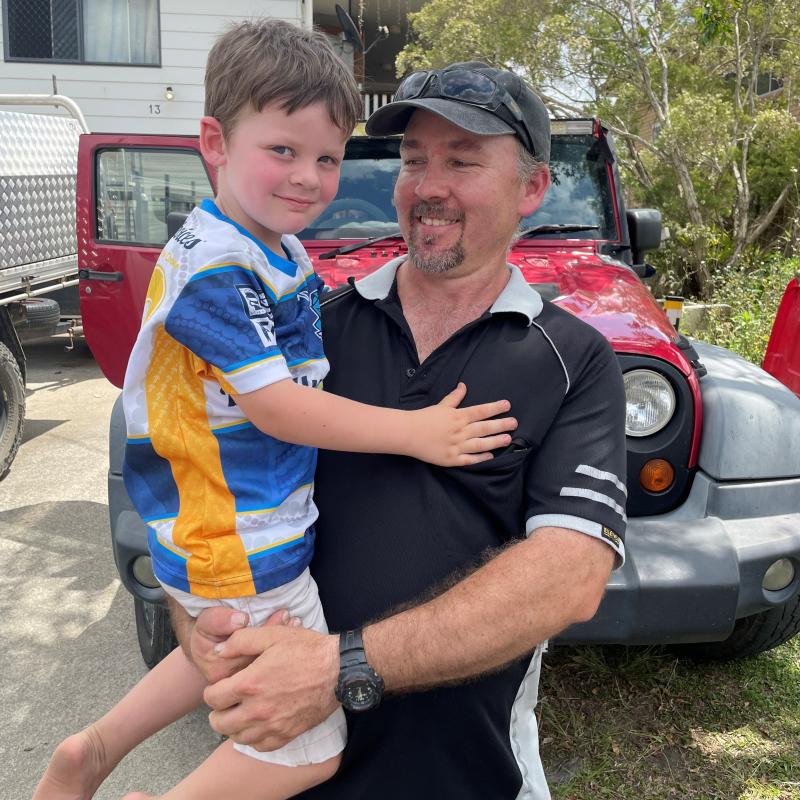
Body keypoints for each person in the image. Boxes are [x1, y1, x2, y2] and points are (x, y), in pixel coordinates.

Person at [31, 27, 517, 800]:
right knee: (308, 751)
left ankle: (94, 749)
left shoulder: (273, 248)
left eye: (327, 158)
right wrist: (418, 434)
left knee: (214, 655)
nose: (309, 178)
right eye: (283, 151)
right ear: (214, 142)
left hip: (224, 528)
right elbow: (282, 408)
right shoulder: (218, 270)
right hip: (241, 533)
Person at [176, 62, 629, 800]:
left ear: (532, 189)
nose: (428, 186)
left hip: (467, 778)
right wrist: (196, 617)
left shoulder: (573, 358)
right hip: (290, 770)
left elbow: (570, 578)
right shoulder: (313, 330)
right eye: (414, 160)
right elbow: (203, 480)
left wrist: (341, 667)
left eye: (462, 160)